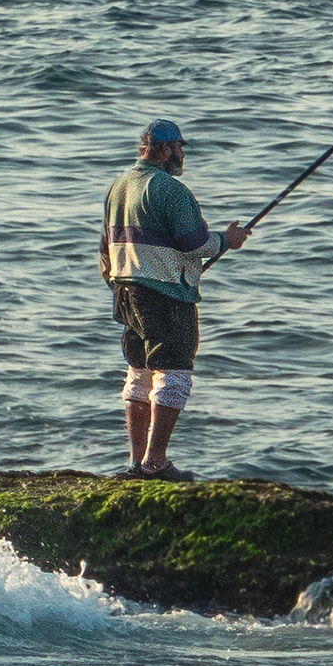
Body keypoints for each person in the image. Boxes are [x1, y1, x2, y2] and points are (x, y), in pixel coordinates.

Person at [99, 117, 250, 478]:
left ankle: (135, 462)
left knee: (139, 373)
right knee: (173, 373)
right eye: (179, 147)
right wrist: (228, 240)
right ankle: (155, 464)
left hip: (125, 291)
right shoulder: (169, 190)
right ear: (165, 150)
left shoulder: (119, 185)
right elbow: (195, 242)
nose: (182, 154)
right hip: (164, 295)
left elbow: (106, 245)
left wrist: (121, 281)